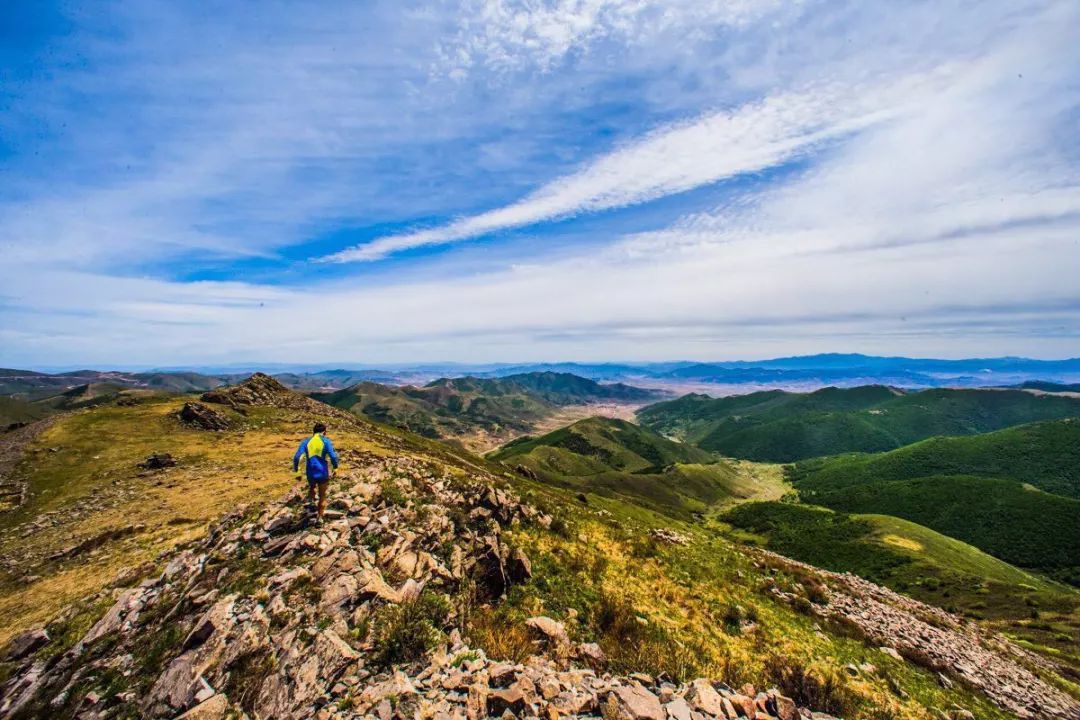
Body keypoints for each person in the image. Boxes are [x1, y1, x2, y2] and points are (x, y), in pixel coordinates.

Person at [293, 422, 339, 524]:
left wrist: (297, 472)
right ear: (324, 432)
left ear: (313, 432)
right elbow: (333, 456)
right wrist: (335, 468)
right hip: (322, 472)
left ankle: (311, 502)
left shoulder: (306, 442)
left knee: (312, 486)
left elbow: (297, 457)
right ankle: (319, 518)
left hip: (310, 471)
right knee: (322, 495)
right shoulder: (326, 441)